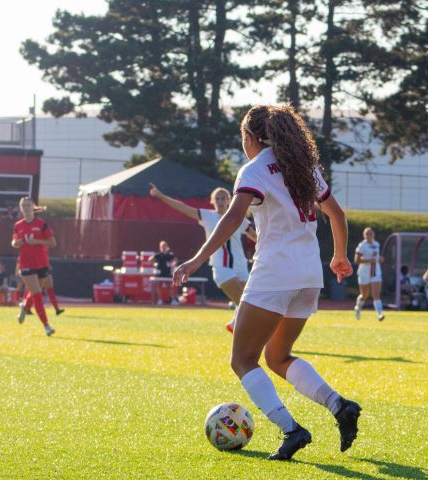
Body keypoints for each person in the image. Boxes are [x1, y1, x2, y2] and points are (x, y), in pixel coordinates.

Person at [172, 104, 360, 460]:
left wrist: (197, 258)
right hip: (309, 275)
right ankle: (339, 406)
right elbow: (336, 212)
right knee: (277, 356)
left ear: (249, 137)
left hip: (275, 273)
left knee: (242, 360)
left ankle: (292, 430)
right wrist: (340, 255)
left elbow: (232, 217)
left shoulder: (255, 169)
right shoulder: (303, 168)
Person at [150, 184, 257, 332]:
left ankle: (234, 325)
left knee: (249, 303)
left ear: (229, 200)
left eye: (223, 197)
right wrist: (161, 196)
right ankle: (257, 338)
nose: (220, 200)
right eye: (217, 198)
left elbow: (255, 236)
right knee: (249, 307)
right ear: (212, 201)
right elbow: (183, 207)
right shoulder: (208, 216)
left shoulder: (238, 218)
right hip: (221, 267)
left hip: (241, 267)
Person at [11, 197, 57, 336]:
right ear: (21, 208)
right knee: (37, 294)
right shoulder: (18, 224)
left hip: (42, 263)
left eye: (28, 205)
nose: (26, 208)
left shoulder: (41, 224)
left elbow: (53, 243)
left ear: (33, 207)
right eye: (23, 205)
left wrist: (36, 241)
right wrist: (16, 242)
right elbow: (13, 242)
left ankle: (24, 306)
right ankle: (47, 326)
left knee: (35, 292)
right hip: (26, 264)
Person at [353, 227, 385, 321]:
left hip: (376, 272)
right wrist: (369, 261)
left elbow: (377, 257)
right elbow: (357, 260)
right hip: (364, 273)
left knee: (376, 295)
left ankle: (380, 314)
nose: (369, 236)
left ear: (373, 235)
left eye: (370, 233)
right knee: (364, 295)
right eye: (367, 234)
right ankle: (358, 308)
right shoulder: (362, 245)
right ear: (364, 235)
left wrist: (380, 259)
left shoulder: (376, 244)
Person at [151, 240, 179, 305]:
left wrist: (173, 264)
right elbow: (150, 260)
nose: (163, 247)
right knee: (159, 286)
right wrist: (154, 265)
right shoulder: (158, 255)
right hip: (160, 273)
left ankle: (173, 300)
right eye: (162, 246)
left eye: (164, 246)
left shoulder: (169, 255)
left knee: (169, 286)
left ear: (166, 246)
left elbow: (175, 260)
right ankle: (159, 300)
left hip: (167, 273)